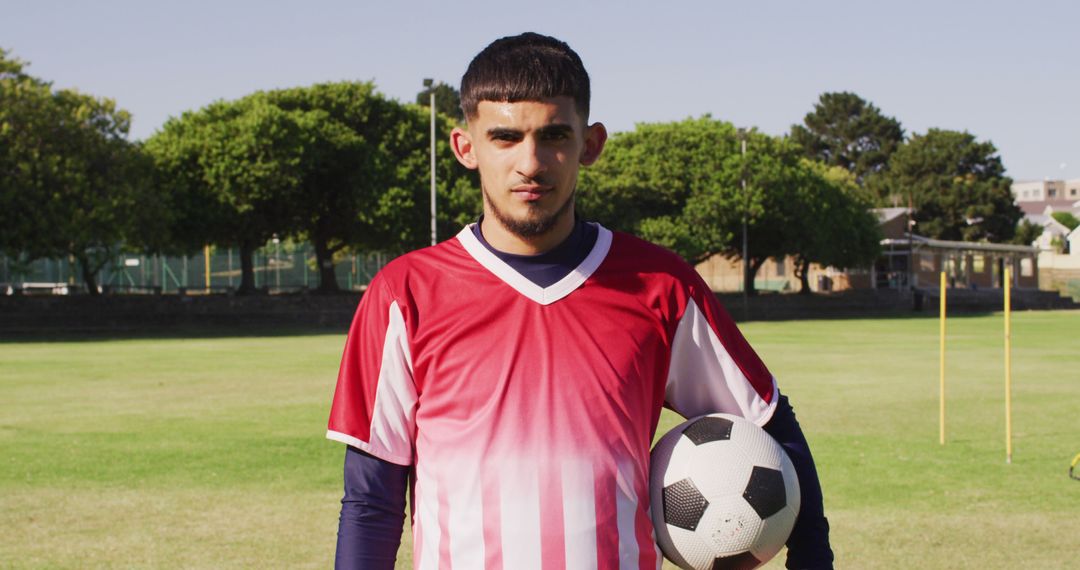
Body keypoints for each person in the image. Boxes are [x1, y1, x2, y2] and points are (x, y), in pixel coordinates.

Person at [327, 32, 834, 570]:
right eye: (505, 137)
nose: (531, 162)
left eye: (554, 136)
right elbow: (371, 500)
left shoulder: (661, 286)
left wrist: (812, 556)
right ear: (465, 147)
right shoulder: (405, 293)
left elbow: (770, 424)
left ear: (590, 144)